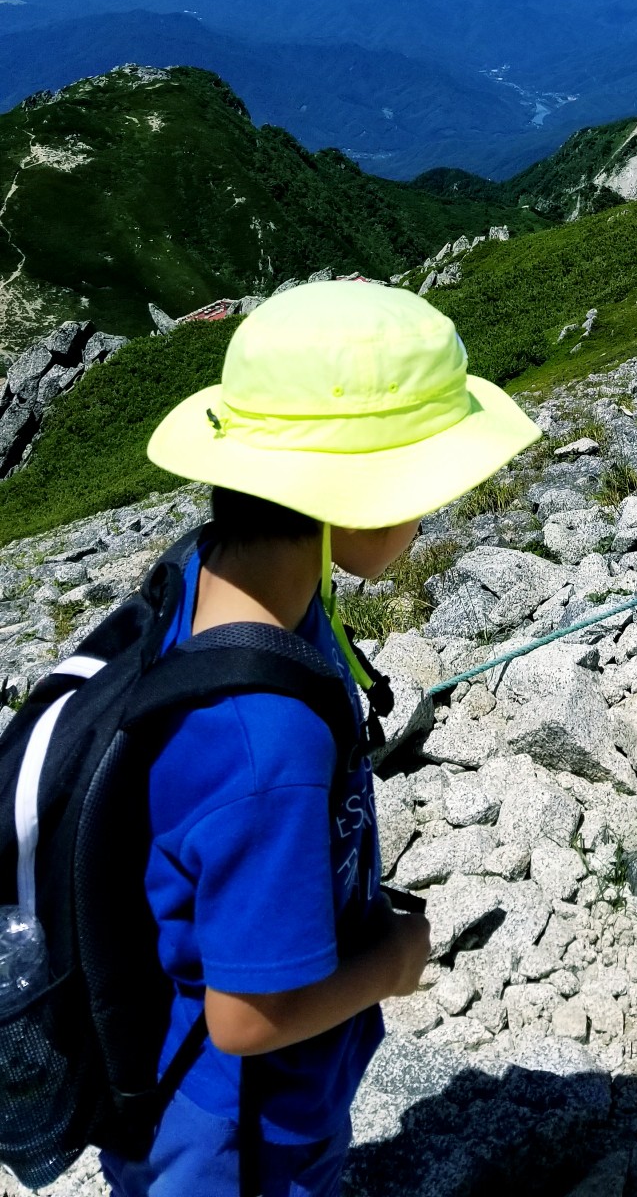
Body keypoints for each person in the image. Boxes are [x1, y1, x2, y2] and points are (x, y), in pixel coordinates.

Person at [99, 279, 541, 1197]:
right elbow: (249, 1020)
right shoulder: (268, 744)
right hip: (238, 1132)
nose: (426, 517)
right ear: (357, 498)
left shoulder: (207, 577)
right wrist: (392, 962)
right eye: (420, 490)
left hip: (176, 1074)